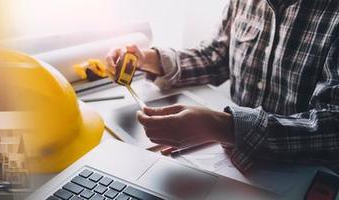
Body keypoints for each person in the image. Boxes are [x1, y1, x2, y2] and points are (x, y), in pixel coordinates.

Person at [106, 0, 338, 172]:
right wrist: (149, 60)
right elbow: (216, 57)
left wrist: (222, 126)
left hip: (303, 171)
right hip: (231, 161)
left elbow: (333, 127)